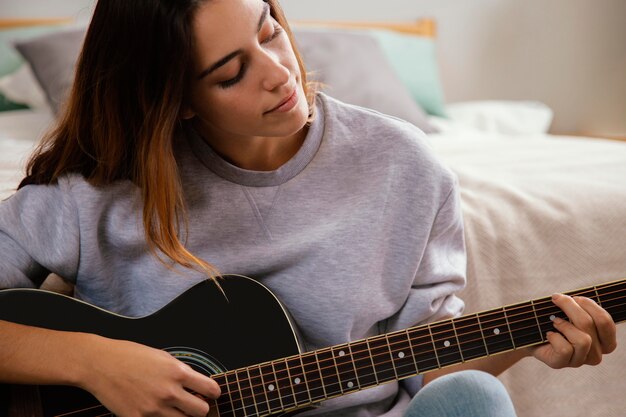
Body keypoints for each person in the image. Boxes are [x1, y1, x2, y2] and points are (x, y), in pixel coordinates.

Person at [0, 0, 617, 416]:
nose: (278, 73)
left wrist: (535, 338)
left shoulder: (404, 166)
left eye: (268, 29)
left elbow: (423, 366)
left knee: (473, 398)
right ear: (176, 102)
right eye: (230, 73)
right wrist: (91, 361)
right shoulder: (101, 189)